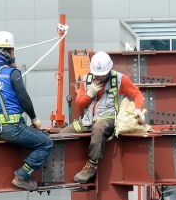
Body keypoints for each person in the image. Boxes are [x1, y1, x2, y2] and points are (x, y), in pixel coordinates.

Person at [0, 31, 53, 191]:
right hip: (11, 128)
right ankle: (22, 175)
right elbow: (24, 99)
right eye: (12, 51)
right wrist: (35, 120)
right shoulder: (12, 74)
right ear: (7, 52)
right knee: (45, 143)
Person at [61, 51, 145, 183]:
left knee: (99, 128)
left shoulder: (120, 79)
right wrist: (90, 93)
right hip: (88, 120)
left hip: (108, 117)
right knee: (64, 134)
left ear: (109, 70)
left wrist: (138, 110)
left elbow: (137, 94)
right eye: (97, 74)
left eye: (102, 75)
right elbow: (79, 104)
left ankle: (91, 165)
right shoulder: (86, 80)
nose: (99, 78)